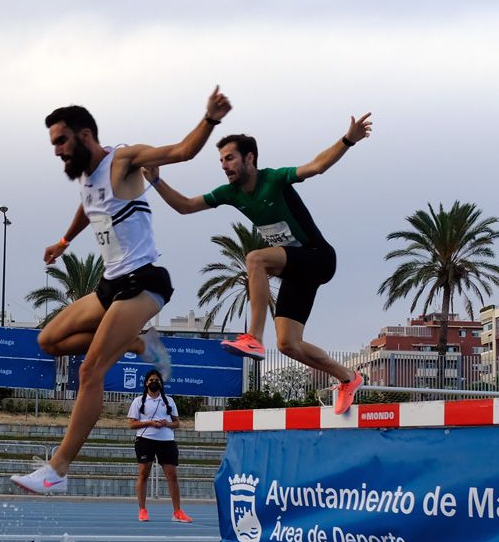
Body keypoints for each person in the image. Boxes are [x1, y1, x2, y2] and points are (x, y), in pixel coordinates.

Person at [12, 87, 231, 494]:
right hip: (110, 285)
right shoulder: (85, 175)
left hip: (144, 282)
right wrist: (64, 241)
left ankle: (57, 470)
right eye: (53, 143)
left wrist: (211, 119)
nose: (57, 150)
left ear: (86, 135)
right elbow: (89, 205)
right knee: (49, 341)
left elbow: (182, 151)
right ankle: (133, 342)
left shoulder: (124, 160)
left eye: (61, 140)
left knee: (90, 370)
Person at [144, 114, 372, 415]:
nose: (224, 166)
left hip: (318, 257)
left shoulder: (273, 179)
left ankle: (253, 337)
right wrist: (157, 180)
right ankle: (348, 377)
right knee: (289, 344)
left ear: (249, 158)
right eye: (221, 161)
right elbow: (185, 207)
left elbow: (316, 166)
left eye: (230, 158)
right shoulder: (231, 194)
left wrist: (348, 140)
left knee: (255, 258)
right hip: (295, 270)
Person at [128, 369, 191, 523]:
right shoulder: (138, 401)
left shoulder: (169, 401)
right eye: (151, 380)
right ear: (146, 383)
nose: (154, 382)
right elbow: (131, 424)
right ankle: (142, 509)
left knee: (172, 475)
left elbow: (177, 423)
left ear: (161, 384)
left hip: (166, 440)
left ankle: (177, 512)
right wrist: (150, 422)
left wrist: (166, 424)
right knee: (143, 474)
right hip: (145, 440)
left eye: (157, 380)